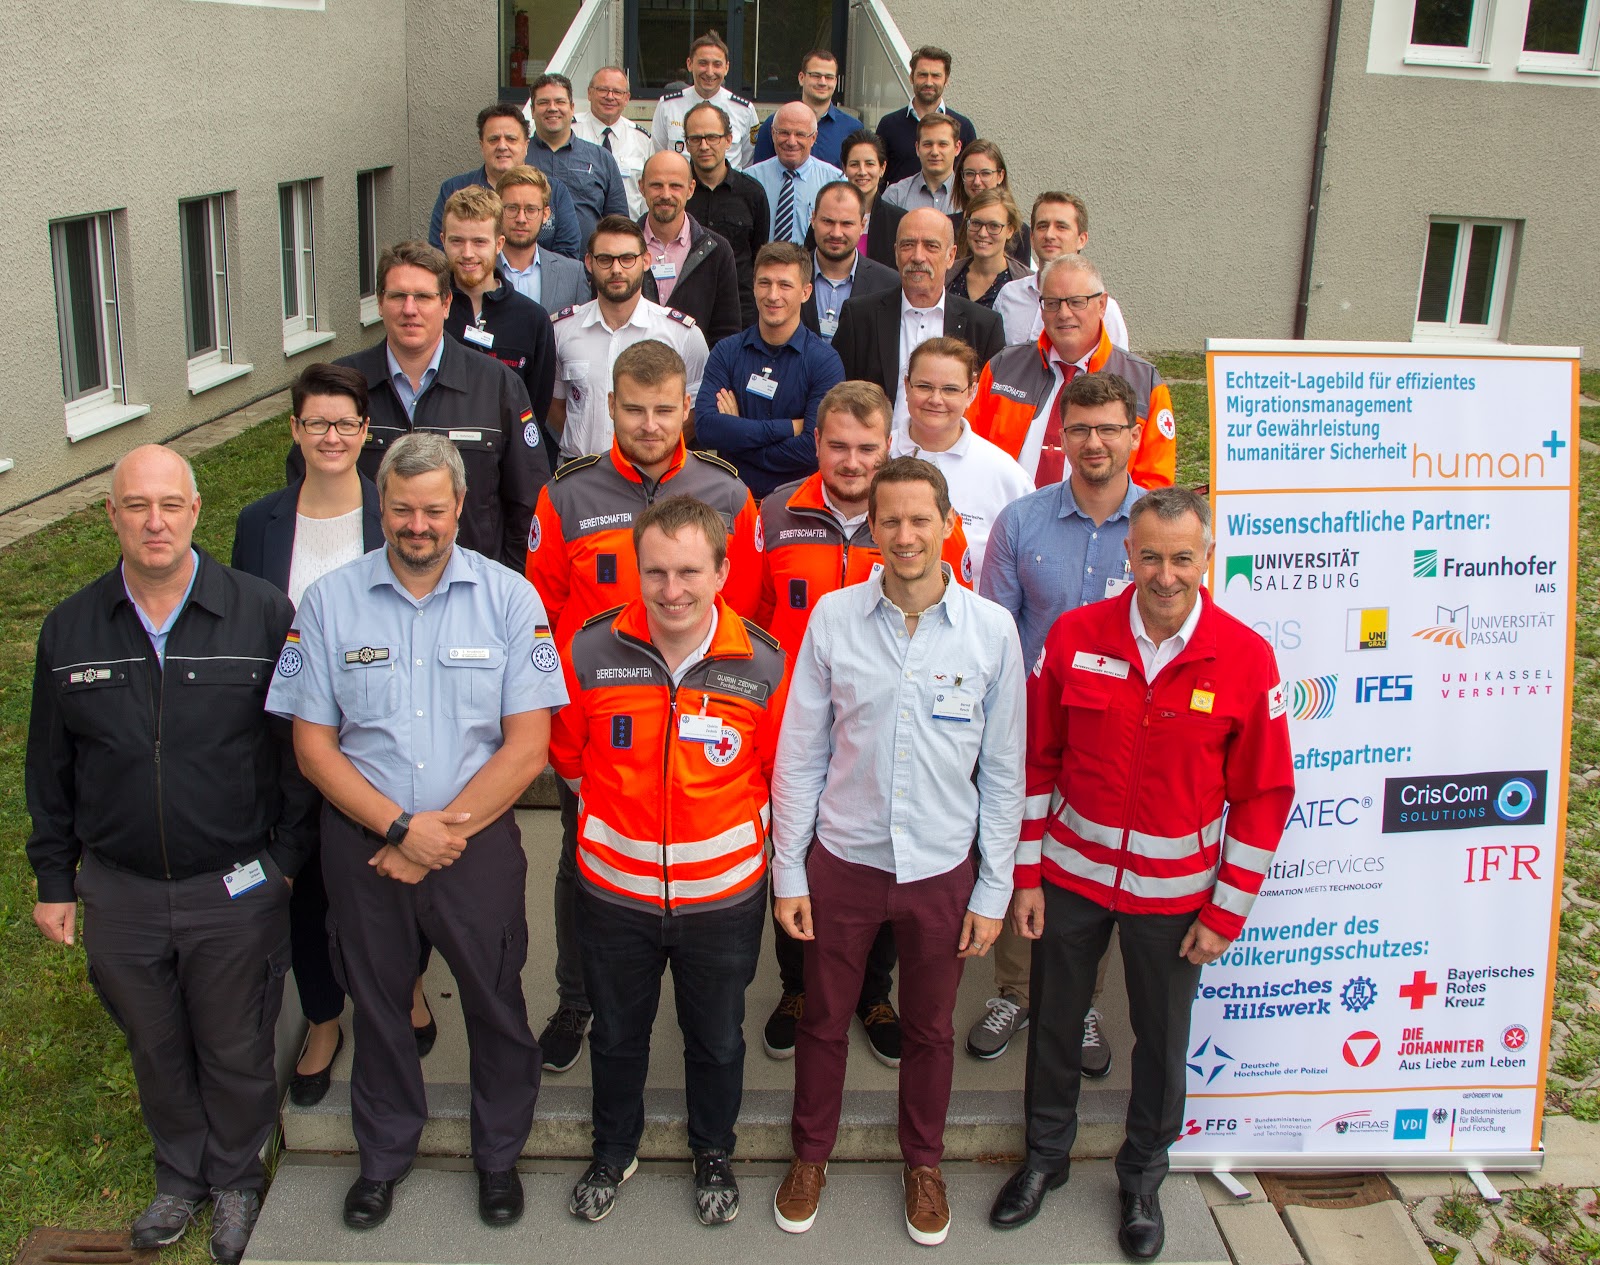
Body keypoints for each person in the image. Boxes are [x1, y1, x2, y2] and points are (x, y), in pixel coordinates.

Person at [267, 433, 566, 1232]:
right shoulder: (329, 602)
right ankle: (383, 1156)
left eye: (434, 508)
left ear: (460, 505)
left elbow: (527, 747)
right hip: (366, 847)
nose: (418, 524)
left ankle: (498, 1153)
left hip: (476, 847)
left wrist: (438, 834)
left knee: (496, 1003)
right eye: (402, 508)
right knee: (378, 1005)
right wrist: (400, 829)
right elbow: (312, 746)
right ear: (381, 506)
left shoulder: (510, 599)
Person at [989, 487, 1295, 1260]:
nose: (1165, 574)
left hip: (1176, 897)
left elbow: (1264, 794)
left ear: (1207, 558)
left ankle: (1141, 1177)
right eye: (1150, 555)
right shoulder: (1075, 634)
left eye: (1182, 558)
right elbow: (1038, 760)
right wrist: (1028, 874)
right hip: (1071, 880)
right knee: (1054, 1024)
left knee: (1160, 1042)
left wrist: (1226, 911)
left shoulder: (1246, 657)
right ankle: (1045, 1158)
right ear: (1129, 553)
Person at [26, 445, 315, 1264]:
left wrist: (284, 861)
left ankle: (236, 1177)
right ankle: (180, 1174)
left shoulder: (260, 612)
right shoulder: (70, 627)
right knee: (154, 1043)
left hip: (235, 883)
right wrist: (54, 879)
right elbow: (49, 767)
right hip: (120, 888)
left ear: (195, 510)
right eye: (136, 505)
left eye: (170, 504)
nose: (155, 521)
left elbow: (299, 752)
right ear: (111, 515)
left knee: (235, 1042)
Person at [770, 456, 1024, 1247]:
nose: (906, 534)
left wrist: (993, 889)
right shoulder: (833, 618)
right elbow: (801, 752)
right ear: (872, 528)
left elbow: (1005, 771)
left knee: (932, 1028)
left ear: (949, 524)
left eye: (921, 519)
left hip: (942, 869)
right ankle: (810, 1154)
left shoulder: (992, 631)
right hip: (844, 860)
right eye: (891, 520)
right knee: (823, 1019)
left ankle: (924, 1162)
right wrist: (789, 869)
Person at [551, 495, 788, 1226]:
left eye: (689, 571)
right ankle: (613, 1149)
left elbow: (778, 774)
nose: (672, 589)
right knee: (616, 1035)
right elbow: (568, 760)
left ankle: (712, 1149)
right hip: (613, 895)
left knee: (716, 1039)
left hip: (722, 899)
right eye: (655, 571)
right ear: (637, 571)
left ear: (722, 572)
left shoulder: (765, 661)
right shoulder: (588, 650)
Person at [525, 339, 762, 1074]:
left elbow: (749, 612)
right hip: (599, 729)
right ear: (610, 406)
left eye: (664, 409)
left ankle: (699, 999)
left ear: (686, 407)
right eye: (633, 409)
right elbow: (541, 619)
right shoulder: (567, 496)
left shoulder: (729, 494)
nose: (650, 425)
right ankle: (576, 999)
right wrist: (566, 747)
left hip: (700, 720)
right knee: (581, 867)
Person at [753, 383, 973, 1065]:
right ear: (817, 443)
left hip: (881, 730)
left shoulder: (919, 523)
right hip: (791, 729)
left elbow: (954, 621)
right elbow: (745, 616)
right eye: (839, 446)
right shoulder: (774, 511)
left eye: (867, 448)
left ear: (888, 447)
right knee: (796, 857)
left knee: (882, 856)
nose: (852, 461)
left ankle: (875, 993)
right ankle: (798, 987)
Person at [964, 371, 1147, 1071]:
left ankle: (1083, 1001)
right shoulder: (1022, 521)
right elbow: (996, 633)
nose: (1094, 442)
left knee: (1096, 863)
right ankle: (1014, 991)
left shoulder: (1156, 525)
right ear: (1061, 437)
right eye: (1079, 429)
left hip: (1119, 734)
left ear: (1134, 435)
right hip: (1032, 725)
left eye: (1108, 429)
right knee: (1021, 856)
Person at [232, 365, 386, 1110]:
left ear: (365, 432)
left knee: (390, 875)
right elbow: (246, 628)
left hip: (379, 733)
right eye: (316, 422)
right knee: (302, 883)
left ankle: (405, 990)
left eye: (345, 423)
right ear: (294, 430)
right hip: (289, 733)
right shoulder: (259, 522)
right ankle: (323, 1018)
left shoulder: (394, 511)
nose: (331, 436)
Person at [310, 240, 551, 573]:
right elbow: (308, 487)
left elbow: (530, 503)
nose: (410, 309)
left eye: (423, 297)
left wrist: (502, 582)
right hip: (363, 585)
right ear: (380, 303)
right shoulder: (344, 386)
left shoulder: (496, 385)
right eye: (398, 296)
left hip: (472, 587)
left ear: (446, 303)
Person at [968, 254, 1174, 490]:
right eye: (1052, 303)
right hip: (1007, 511)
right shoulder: (1003, 368)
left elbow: (1154, 484)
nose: (1064, 313)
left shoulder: (1144, 383)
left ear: (1102, 305)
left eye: (1076, 302)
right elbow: (971, 453)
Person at [549, 216, 710, 464]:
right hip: (581, 471)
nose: (616, 269)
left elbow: (695, 412)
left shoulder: (682, 335)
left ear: (645, 261)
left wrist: (653, 455)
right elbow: (554, 406)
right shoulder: (562, 330)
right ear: (589, 262)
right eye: (605, 259)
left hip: (651, 473)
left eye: (627, 259)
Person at [694, 242, 845, 498]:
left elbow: (812, 448)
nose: (773, 295)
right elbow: (707, 429)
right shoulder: (726, 352)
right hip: (733, 501)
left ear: (805, 292)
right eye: (764, 283)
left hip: (796, 504)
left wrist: (737, 435)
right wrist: (787, 428)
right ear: (753, 286)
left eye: (785, 285)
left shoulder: (824, 362)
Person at [831, 207, 1004, 431]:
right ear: (896, 253)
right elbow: (839, 398)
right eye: (908, 245)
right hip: (879, 449)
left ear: (951, 256)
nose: (917, 256)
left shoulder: (984, 326)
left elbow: (991, 410)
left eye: (931, 246)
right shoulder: (860, 317)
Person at [889, 337, 1031, 587]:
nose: (936, 399)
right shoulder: (877, 456)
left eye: (950, 389)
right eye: (924, 386)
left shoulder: (1005, 474)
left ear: (972, 392)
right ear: (907, 386)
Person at [439, 186, 556, 450]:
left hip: (503, 462)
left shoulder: (532, 320)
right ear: (443, 240)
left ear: (499, 244)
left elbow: (534, 410)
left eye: (479, 242)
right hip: (439, 461)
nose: (468, 253)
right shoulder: (428, 312)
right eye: (457, 241)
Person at [429, 103, 581, 258]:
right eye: (494, 139)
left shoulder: (555, 191)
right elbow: (438, 253)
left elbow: (567, 253)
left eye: (511, 139)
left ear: (526, 145)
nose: (502, 146)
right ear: (482, 146)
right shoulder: (454, 189)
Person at [994, 192, 1129, 349]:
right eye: (1042, 226)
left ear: (1082, 240)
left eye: (1061, 227)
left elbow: (1117, 362)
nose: (1049, 235)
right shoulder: (1009, 296)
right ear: (1032, 237)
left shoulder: (1102, 308)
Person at [637, 151, 743, 346]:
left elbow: (726, 333)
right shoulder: (622, 251)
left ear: (691, 189)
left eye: (675, 186)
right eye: (656, 185)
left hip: (696, 365)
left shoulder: (717, 251)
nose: (665, 195)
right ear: (641, 187)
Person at [683, 101, 770, 327]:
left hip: (740, 313)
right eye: (696, 139)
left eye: (712, 137)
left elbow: (759, 258)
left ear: (728, 140)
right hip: (686, 311)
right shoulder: (677, 194)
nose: (704, 146)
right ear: (687, 144)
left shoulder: (752, 193)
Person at [527, 73, 629, 249]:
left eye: (560, 102)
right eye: (543, 102)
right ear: (532, 110)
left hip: (586, 262)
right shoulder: (518, 157)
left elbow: (618, 224)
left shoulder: (601, 158)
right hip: (528, 262)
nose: (552, 108)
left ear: (572, 108)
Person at [799, 182, 899, 341]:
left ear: (862, 225)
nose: (836, 233)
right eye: (828, 221)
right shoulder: (790, 275)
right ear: (813, 219)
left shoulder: (889, 284)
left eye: (846, 224)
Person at [652, 30, 758, 168]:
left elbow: (749, 163)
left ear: (726, 68)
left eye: (717, 64)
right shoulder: (667, 106)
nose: (709, 72)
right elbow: (658, 157)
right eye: (703, 63)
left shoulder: (745, 111)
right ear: (690, 64)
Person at [873, 46, 977, 184]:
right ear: (911, 77)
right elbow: (878, 178)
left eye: (936, 76)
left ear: (946, 80)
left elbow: (973, 175)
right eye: (922, 75)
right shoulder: (889, 125)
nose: (928, 82)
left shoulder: (964, 127)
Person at [745, 102, 844, 245]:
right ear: (773, 133)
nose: (791, 142)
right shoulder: (750, 179)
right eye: (784, 133)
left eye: (800, 134)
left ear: (813, 138)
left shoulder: (835, 181)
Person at [495, 166, 590, 312]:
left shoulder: (572, 274)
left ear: (545, 215)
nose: (521, 219)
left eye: (531, 210)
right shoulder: (480, 268)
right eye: (512, 208)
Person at [751, 48, 861, 168]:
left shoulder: (852, 129)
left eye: (829, 77)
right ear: (801, 78)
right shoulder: (775, 124)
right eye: (816, 75)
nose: (822, 82)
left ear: (835, 82)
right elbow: (760, 173)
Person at [573, 65, 654, 218]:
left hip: (629, 228)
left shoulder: (642, 139)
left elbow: (648, 193)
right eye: (603, 90)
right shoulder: (571, 132)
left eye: (617, 92)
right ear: (589, 93)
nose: (610, 97)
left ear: (626, 98)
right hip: (582, 229)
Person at [947, 188, 1030, 310]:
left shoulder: (1026, 283)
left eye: (994, 226)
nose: (982, 233)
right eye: (976, 223)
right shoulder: (947, 274)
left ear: (1010, 230)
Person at [834, 129, 906, 269]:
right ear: (844, 168)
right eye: (854, 164)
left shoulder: (899, 221)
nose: (862, 172)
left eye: (869, 164)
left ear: (882, 168)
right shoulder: (827, 215)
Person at [952, 140, 1031, 264]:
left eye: (985, 173)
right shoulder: (948, 226)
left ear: (1000, 176)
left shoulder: (1020, 232)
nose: (977, 181)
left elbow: (1020, 274)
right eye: (970, 173)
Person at [881, 113, 962, 214]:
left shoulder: (968, 196)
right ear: (917, 148)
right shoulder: (895, 196)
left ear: (957, 148)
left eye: (943, 144)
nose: (935, 152)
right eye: (927, 144)